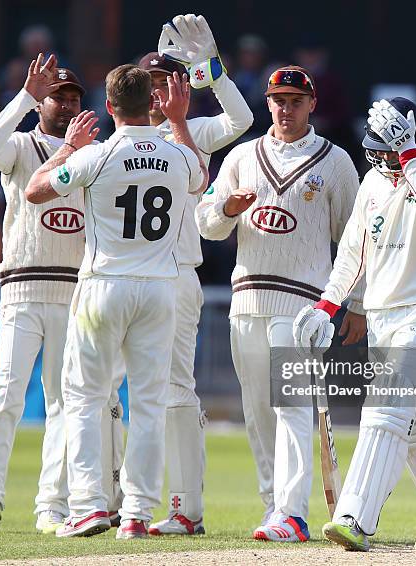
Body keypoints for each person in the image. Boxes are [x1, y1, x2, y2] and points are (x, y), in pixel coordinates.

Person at [293, 97, 416, 551]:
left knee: (386, 410)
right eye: (377, 151)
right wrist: (327, 305)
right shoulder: (372, 184)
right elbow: (352, 256)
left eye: (390, 149)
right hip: (382, 319)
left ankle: (353, 518)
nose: (384, 160)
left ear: (413, 140)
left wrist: (410, 155)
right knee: (415, 425)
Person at [25, 65, 208, 539]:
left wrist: (67, 147)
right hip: (159, 288)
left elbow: (35, 190)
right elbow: (200, 178)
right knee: (149, 402)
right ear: (153, 102)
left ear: (108, 108)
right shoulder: (176, 153)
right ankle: (137, 514)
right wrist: (181, 121)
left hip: (104, 284)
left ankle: (87, 505)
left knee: (85, 397)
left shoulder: (98, 155)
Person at [196, 65, 366, 542]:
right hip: (248, 295)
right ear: (267, 103)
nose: (285, 109)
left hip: (305, 306)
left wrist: (357, 303)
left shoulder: (335, 162)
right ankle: (274, 507)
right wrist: (228, 209)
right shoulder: (242, 156)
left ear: (312, 104)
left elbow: (355, 241)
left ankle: (293, 513)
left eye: (295, 100)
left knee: (291, 406)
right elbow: (206, 221)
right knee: (257, 408)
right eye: (278, 100)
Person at [101, 14, 254, 535]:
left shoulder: (192, 132)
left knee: (174, 391)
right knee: (110, 390)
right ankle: (110, 498)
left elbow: (241, 120)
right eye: (156, 79)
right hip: (121, 276)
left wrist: (211, 70)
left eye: (171, 77)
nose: (165, 87)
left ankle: (186, 507)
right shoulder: (120, 138)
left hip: (176, 276)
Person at [0, 53, 88, 534]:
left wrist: (79, 149)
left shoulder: (93, 154)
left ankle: (51, 506)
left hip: (75, 292)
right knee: (7, 392)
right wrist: (25, 97)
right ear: (43, 103)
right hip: (22, 287)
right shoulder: (19, 146)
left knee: (65, 401)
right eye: (58, 97)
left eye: (73, 97)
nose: (66, 104)